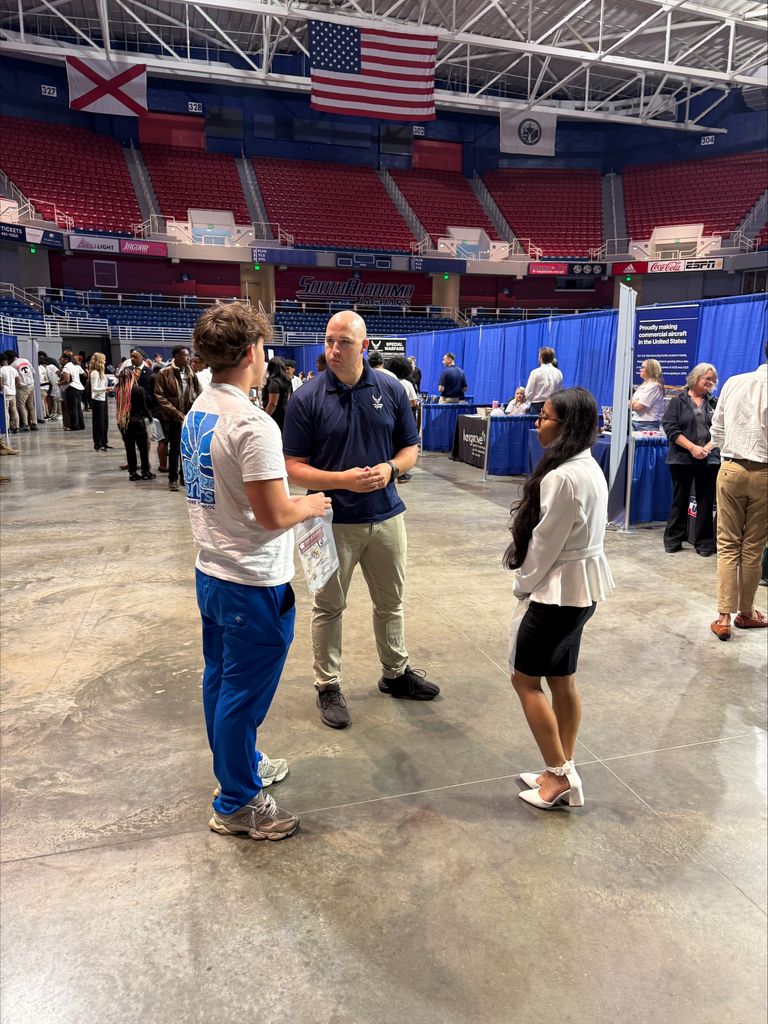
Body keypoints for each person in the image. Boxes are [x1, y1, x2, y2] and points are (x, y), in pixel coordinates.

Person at [184, 301, 331, 842]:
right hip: (250, 580)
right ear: (251, 353)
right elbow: (273, 515)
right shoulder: (252, 424)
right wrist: (310, 504)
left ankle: (239, 762)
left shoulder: (202, 408)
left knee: (221, 679)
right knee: (242, 694)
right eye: (263, 347)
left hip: (213, 570)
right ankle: (237, 801)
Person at [283, 310, 438, 730]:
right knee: (329, 607)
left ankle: (395, 674)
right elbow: (292, 466)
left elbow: (410, 448)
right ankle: (327, 684)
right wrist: (342, 481)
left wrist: (390, 470)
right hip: (329, 523)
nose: (333, 350)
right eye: (329, 341)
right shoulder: (306, 398)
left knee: (391, 603)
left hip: (386, 517)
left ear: (364, 347)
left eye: (344, 342)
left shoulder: (388, 388)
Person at [507, 388, 614, 810]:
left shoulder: (562, 477)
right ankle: (562, 766)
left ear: (565, 426)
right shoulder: (588, 467)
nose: (538, 423)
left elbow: (544, 545)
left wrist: (523, 584)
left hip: (557, 592)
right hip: (581, 591)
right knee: (562, 679)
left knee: (524, 680)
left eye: (545, 417)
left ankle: (558, 777)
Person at [709, 345, 768, 640]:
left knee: (728, 543)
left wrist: (728, 456)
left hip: (730, 468)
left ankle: (723, 617)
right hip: (765, 473)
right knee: (754, 547)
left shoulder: (734, 382)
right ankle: (746, 612)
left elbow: (716, 429)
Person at [661, 363, 719, 557]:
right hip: (682, 458)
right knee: (680, 500)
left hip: (708, 459)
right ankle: (674, 539)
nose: (710, 383)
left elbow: (721, 429)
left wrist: (706, 449)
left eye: (712, 380)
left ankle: (703, 543)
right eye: (707, 379)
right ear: (696, 378)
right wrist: (692, 448)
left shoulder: (714, 403)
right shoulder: (677, 401)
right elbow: (671, 428)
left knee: (705, 501)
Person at [154, 345, 201, 492]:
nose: (189, 358)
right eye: (186, 355)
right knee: (174, 448)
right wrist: (175, 412)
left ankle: (184, 477)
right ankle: (172, 479)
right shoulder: (164, 373)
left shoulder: (191, 373)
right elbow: (159, 396)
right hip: (174, 418)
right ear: (176, 357)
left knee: (188, 449)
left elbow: (199, 393)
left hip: (189, 417)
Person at [115, 368, 155, 481]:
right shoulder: (139, 390)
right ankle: (146, 471)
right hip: (137, 422)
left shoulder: (119, 390)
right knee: (142, 448)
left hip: (123, 422)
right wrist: (151, 418)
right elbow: (143, 407)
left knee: (130, 448)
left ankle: (132, 473)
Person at [525, 347, 563, 417]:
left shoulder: (535, 372)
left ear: (541, 359)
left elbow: (528, 393)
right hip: (553, 406)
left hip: (537, 407)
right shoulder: (559, 373)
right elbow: (559, 391)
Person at [631, 359, 665, 430]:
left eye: (643, 367)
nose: (640, 370)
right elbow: (631, 404)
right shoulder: (643, 385)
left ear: (650, 370)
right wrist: (634, 402)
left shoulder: (654, 386)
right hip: (635, 422)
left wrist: (634, 402)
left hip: (647, 425)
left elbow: (638, 407)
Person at [89, 353, 113, 452]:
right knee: (99, 422)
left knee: (104, 422)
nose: (105, 361)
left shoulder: (101, 373)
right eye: (104, 359)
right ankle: (97, 443)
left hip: (103, 398)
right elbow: (94, 389)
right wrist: (105, 389)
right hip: (98, 399)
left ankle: (104, 441)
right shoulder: (95, 373)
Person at [262, 356, 292, 432]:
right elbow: (288, 398)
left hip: (276, 415)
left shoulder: (274, 382)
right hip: (285, 412)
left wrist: (265, 418)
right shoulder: (286, 380)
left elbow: (272, 404)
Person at [10, 352, 38, 431]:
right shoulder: (26, 360)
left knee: (21, 405)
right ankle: (33, 423)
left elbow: (15, 378)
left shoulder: (13, 365)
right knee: (30, 405)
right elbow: (33, 372)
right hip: (31, 385)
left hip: (22, 387)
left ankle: (25, 424)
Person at [59, 351, 85, 431]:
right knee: (78, 408)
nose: (60, 361)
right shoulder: (75, 366)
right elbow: (84, 374)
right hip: (79, 388)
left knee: (72, 408)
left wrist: (59, 383)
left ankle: (73, 426)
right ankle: (80, 425)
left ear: (65, 359)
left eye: (61, 359)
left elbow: (66, 380)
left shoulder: (66, 367)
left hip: (72, 388)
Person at [0, 353, 19, 433]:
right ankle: (16, 426)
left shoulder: (1, 370)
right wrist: (13, 387)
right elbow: (18, 381)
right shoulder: (13, 369)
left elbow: (0, 384)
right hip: (13, 392)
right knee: (14, 410)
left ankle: (7, 427)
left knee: (6, 410)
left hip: (5, 393)